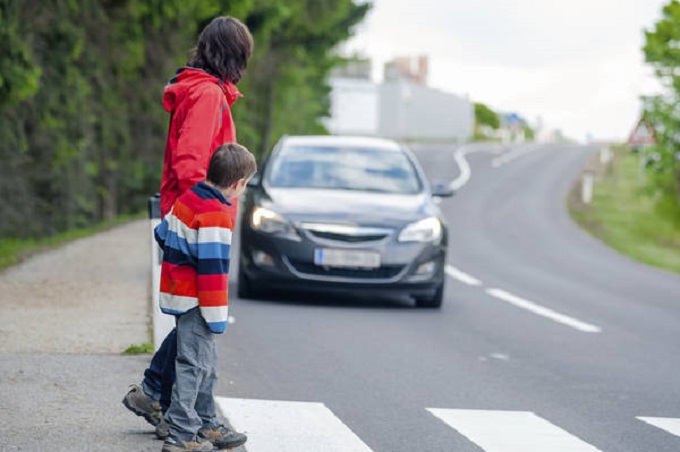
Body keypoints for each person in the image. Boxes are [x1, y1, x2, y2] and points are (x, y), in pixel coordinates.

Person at [122, 15, 253, 446]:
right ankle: (196, 421)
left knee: (191, 321)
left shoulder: (199, 90)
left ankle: (153, 393)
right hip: (198, 221)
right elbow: (191, 163)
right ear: (235, 56)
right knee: (199, 322)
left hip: (187, 216)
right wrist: (209, 212)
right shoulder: (208, 95)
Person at [156, 144, 257, 451]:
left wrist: (182, 253)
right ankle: (182, 432)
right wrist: (216, 317)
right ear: (238, 184)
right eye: (246, 185)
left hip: (178, 292)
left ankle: (205, 422)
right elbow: (212, 273)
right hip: (198, 301)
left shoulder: (188, 198)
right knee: (193, 364)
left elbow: (162, 232)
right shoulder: (216, 214)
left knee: (204, 362)